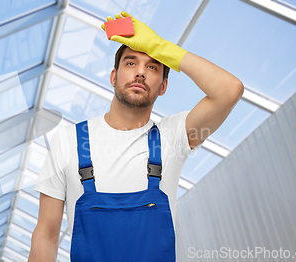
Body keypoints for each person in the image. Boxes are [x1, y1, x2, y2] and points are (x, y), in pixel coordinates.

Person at [28, 11, 243, 261]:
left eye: (152, 67)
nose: (140, 72)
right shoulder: (68, 141)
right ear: (113, 76)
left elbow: (229, 90)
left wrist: (160, 47)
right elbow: (46, 234)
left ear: (163, 86)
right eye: (131, 63)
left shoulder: (173, 138)